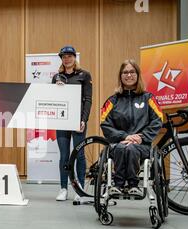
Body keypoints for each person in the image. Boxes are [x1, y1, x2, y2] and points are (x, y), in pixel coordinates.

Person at [100, 59, 162, 196]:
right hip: (119, 143)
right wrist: (124, 136)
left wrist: (141, 137)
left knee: (131, 148)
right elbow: (105, 123)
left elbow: (157, 120)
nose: (129, 75)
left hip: (142, 145)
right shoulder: (112, 101)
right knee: (123, 147)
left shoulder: (148, 98)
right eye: (125, 72)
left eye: (132, 72)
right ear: (120, 76)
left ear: (138, 75)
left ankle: (133, 185)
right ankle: (118, 185)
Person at [52, 45, 92, 205]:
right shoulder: (56, 77)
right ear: (61, 59)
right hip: (62, 121)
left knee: (80, 154)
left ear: (75, 57)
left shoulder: (84, 75)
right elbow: (52, 99)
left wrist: (84, 119)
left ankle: (80, 189)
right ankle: (63, 188)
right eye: (64, 56)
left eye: (69, 56)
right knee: (64, 156)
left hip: (77, 122)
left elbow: (88, 99)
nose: (67, 58)